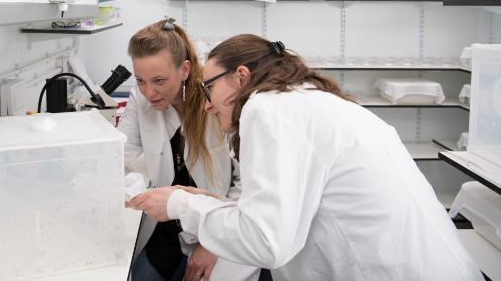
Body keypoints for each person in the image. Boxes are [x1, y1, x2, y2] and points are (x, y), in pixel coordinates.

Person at [127, 34, 485, 280]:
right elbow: (282, 211)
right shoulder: (304, 101)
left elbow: (267, 241)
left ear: (240, 77)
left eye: (209, 88)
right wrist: (204, 201)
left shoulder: (268, 110)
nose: (204, 103)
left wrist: (179, 206)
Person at [119, 20, 261, 281]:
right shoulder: (140, 98)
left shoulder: (217, 99)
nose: (149, 91)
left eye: (159, 80)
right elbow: (124, 156)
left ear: (184, 69)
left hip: (218, 222)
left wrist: (211, 244)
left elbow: (246, 181)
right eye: (140, 80)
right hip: (164, 225)